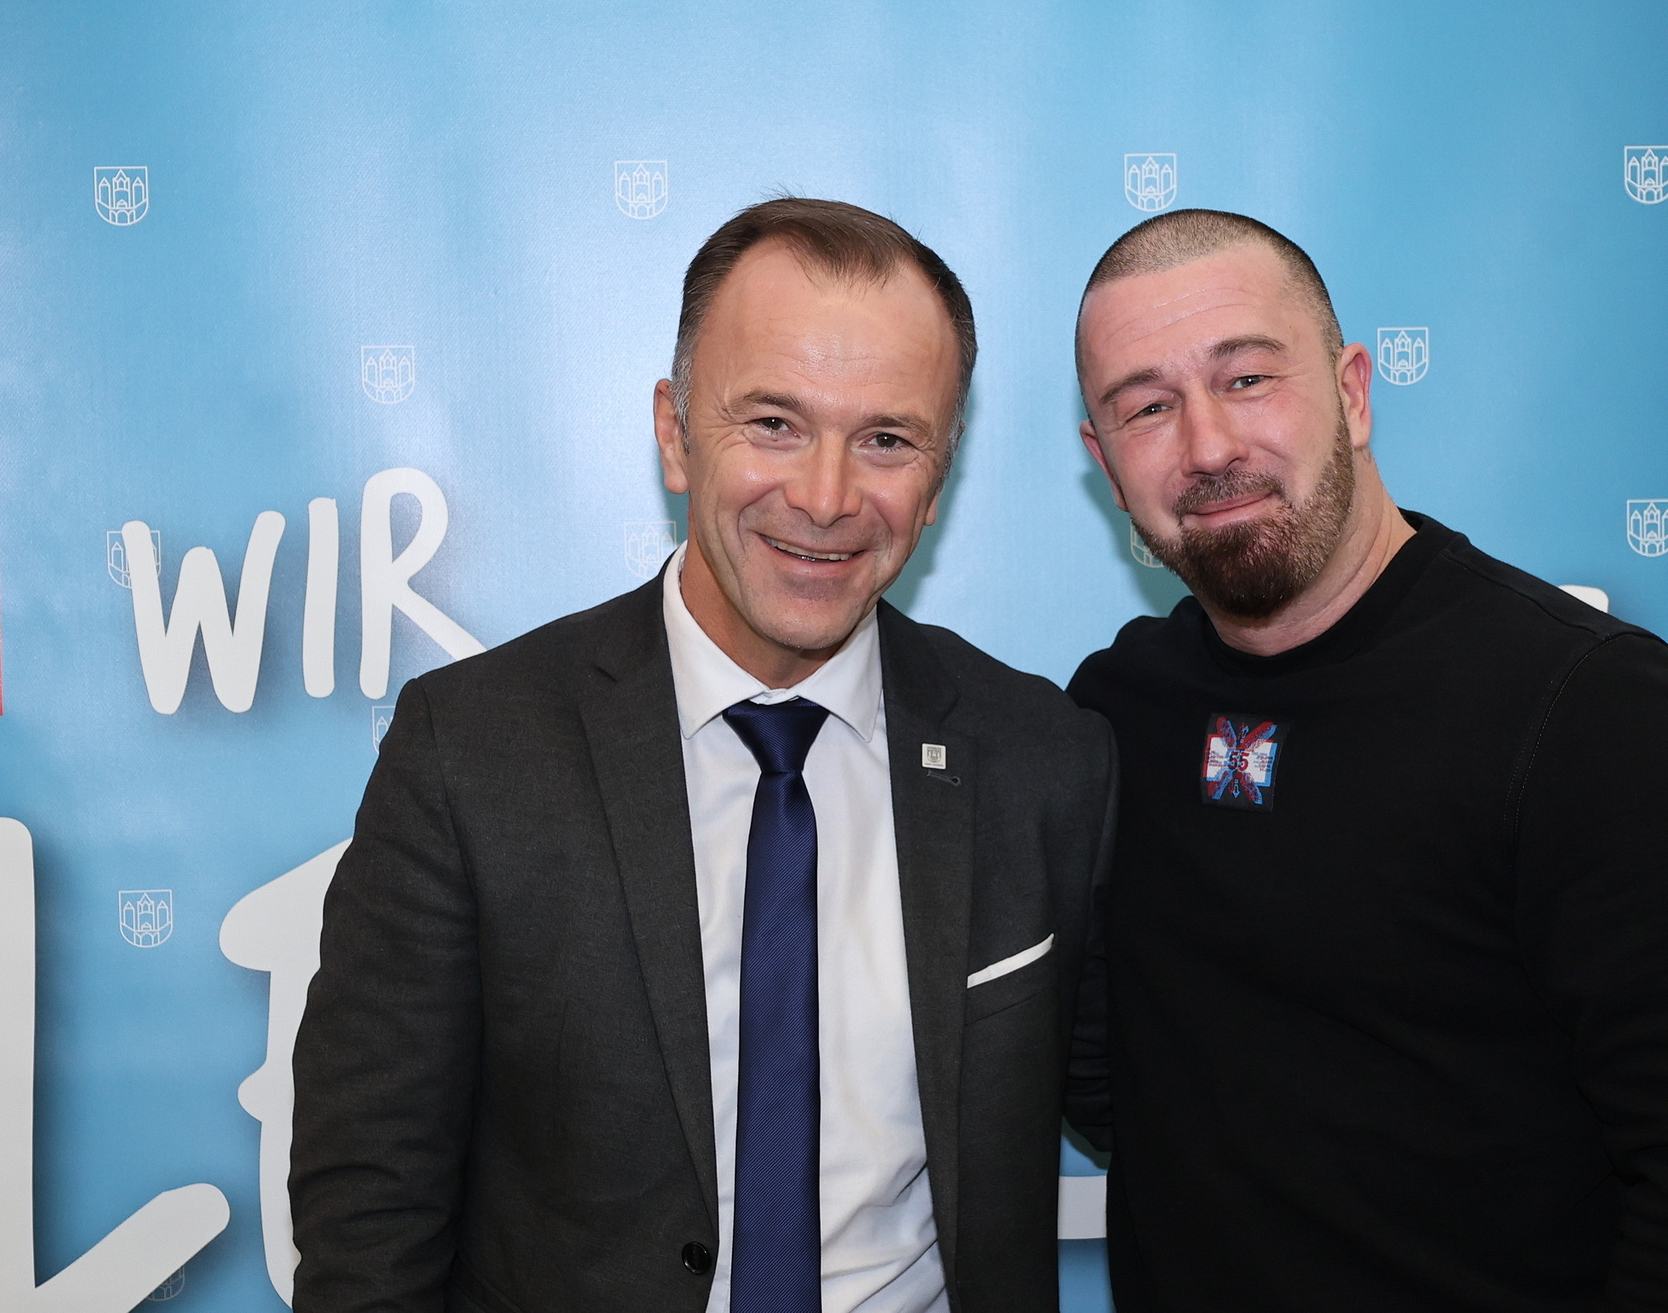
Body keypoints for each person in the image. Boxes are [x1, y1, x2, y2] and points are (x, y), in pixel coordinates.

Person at [292, 197, 1116, 1313]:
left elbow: (1162, 1101)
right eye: (772, 422)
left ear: (938, 476)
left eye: (886, 439)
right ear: (675, 434)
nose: (824, 497)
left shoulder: (1043, 760)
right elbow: (369, 1211)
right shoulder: (471, 753)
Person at [1064, 207, 1668, 1313]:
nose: (1207, 446)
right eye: (1147, 407)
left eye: (1247, 379)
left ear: (1353, 392)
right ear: (1105, 464)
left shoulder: (1591, 712)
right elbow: (1120, 1069)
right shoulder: (1117, 708)